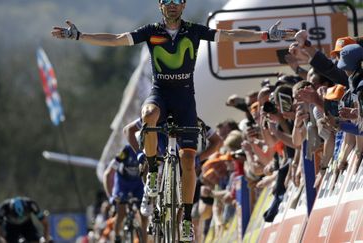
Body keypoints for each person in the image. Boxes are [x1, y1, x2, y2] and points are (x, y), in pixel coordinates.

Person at [51, 1, 295, 240]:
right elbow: (116, 39)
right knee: (148, 116)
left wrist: (265, 35)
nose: (172, 5)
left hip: (185, 100)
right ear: (160, 5)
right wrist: (79, 36)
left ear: (184, 5)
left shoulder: (194, 30)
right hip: (160, 95)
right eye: (166, 1)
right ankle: (153, 172)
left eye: (176, 0)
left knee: (188, 160)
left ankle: (186, 218)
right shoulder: (151, 31)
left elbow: (229, 34)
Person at [103, 145, 147, 243]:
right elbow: (108, 174)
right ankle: (117, 237)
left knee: (144, 216)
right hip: (123, 184)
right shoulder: (126, 151)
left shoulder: (147, 149)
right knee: (121, 213)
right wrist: (110, 197)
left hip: (138, 184)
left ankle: (144, 240)